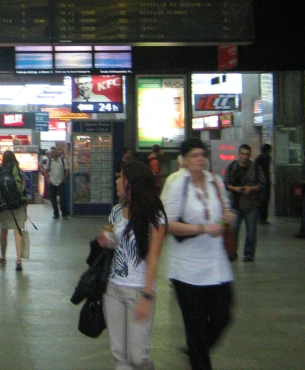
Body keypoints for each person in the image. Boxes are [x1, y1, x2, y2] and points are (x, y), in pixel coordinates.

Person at [161, 138, 234, 370]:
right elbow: (166, 224)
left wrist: (225, 219)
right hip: (187, 268)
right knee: (195, 325)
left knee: (222, 316)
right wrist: (202, 228)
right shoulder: (176, 182)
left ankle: (196, 350)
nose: (199, 159)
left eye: (202, 155)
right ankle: (198, 357)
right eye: (194, 155)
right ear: (183, 159)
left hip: (217, 264)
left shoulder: (215, 181)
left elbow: (225, 211)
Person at [99, 161, 167, 370]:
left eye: (122, 177)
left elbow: (154, 258)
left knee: (139, 356)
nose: (117, 181)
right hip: (112, 288)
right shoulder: (117, 211)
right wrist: (105, 239)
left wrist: (147, 296)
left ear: (133, 183)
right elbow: (112, 240)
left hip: (139, 290)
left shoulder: (155, 215)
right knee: (119, 354)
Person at [224, 144, 264, 262]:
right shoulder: (232, 167)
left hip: (251, 204)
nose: (245, 157)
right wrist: (235, 189)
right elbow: (226, 183)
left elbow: (263, 184)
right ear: (239, 154)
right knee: (234, 230)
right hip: (236, 204)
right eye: (243, 154)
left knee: (251, 230)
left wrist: (250, 189)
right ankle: (232, 252)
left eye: (247, 154)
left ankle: (249, 254)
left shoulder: (256, 167)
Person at [0, 150, 28, 272]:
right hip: (17, 205)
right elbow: (22, 189)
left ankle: (3, 257)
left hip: (4, 205)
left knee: (3, 231)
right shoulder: (19, 170)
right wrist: (25, 206)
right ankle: (18, 259)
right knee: (18, 231)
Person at [47, 147, 69, 219]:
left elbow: (67, 170)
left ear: (57, 153)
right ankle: (56, 214)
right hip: (52, 182)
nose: (52, 154)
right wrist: (48, 179)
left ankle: (64, 214)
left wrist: (64, 178)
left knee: (62, 198)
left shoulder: (63, 161)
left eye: (54, 152)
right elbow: (46, 170)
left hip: (60, 182)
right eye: (51, 152)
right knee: (53, 199)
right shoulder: (50, 161)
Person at [255, 144, 272, 224]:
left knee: (266, 199)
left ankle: (264, 217)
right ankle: (261, 217)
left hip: (267, 181)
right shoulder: (259, 159)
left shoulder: (269, 158)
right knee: (262, 199)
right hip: (261, 182)